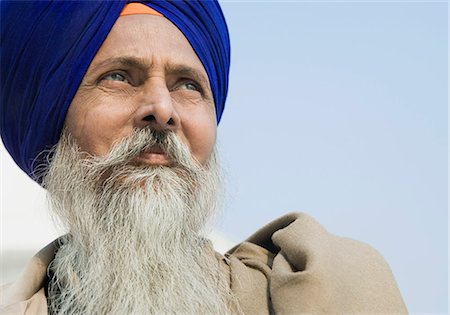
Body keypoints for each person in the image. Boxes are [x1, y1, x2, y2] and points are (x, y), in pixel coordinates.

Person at [0, 1, 408, 314]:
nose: (162, 108)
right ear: (52, 120)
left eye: (188, 85)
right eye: (119, 77)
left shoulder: (328, 287)